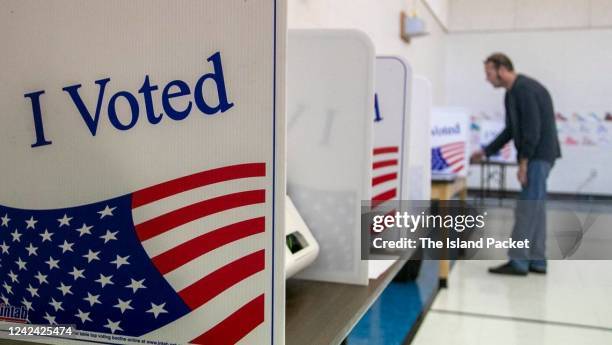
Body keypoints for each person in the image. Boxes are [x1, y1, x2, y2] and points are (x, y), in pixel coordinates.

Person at [471, 53, 561, 275]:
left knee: (526, 208)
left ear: (502, 69)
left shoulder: (525, 89)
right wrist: (485, 151)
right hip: (538, 155)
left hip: (538, 156)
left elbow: (532, 130)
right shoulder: (512, 94)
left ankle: (519, 261)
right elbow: (511, 130)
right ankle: (538, 260)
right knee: (535, 208)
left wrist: (523, 163)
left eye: (489, 73)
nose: (487, 78)